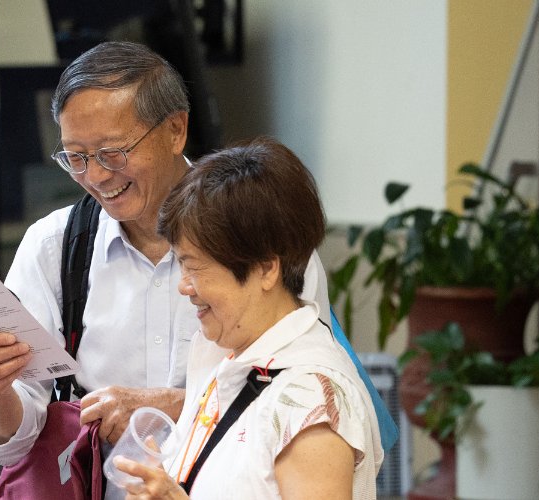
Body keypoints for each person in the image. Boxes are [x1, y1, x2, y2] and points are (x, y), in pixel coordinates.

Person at [0, 41, 388, 470]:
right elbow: (14, 443)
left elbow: (305, 394)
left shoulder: (258, 236)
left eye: (113, 153)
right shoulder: (54, 246)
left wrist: (168, 407)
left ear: (176, 130)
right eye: (76, 157)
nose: (94, 176)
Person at [112, 138, 382, 499]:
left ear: (266, 268)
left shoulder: (310, 398)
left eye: (195, 268)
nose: (184, 287)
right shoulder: (223, 355)